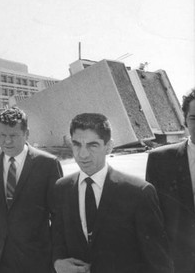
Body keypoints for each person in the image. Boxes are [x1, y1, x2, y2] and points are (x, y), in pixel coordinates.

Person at [52, 113, 173, 273]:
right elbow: (57, 240)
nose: (82, 154)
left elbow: (159, 263)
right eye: (77, 145)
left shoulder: (139, 192)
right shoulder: (62, 188)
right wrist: (57, 262)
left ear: (109, 146)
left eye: (92, 145)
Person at [0, 107, 63, 273]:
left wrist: (58, 257)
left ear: (26, 133)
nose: (7, 141)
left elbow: (59, 217)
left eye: (13, 136)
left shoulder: (48, 164)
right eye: (2, 135)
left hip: (35, 259)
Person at [146, 88, 195, 273]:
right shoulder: (160, 160)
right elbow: (150, 218)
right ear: (184, 120)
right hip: (176, 263)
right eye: (194, 118)